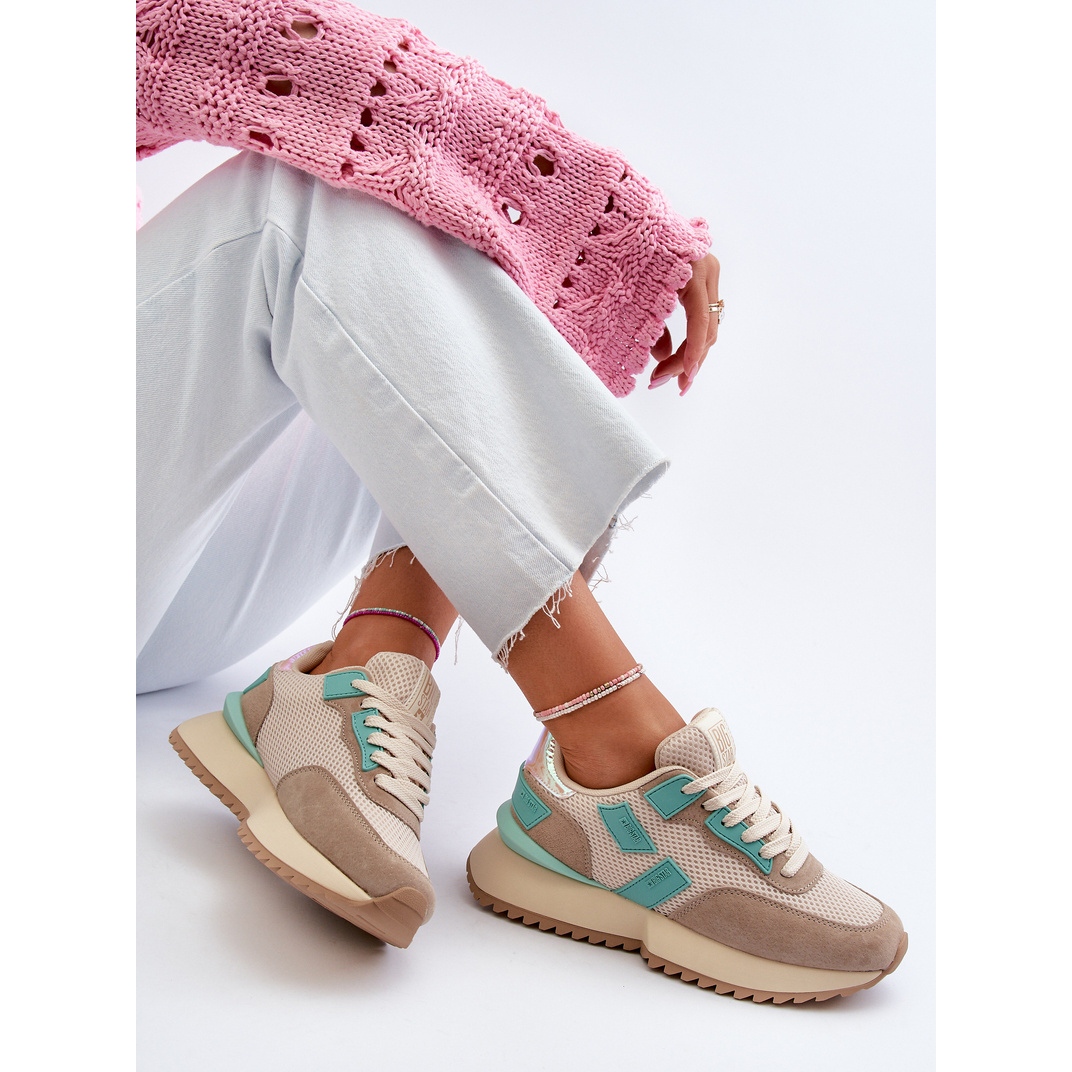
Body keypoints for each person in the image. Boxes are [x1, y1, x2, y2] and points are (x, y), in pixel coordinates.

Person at [137, 0, 907, 1003]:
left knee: (407, 204)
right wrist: (604, 217)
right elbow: (198, 37)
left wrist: (578, 221)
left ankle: (368, 667)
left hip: (167, 568)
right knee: (289, 202)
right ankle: (617, 758)